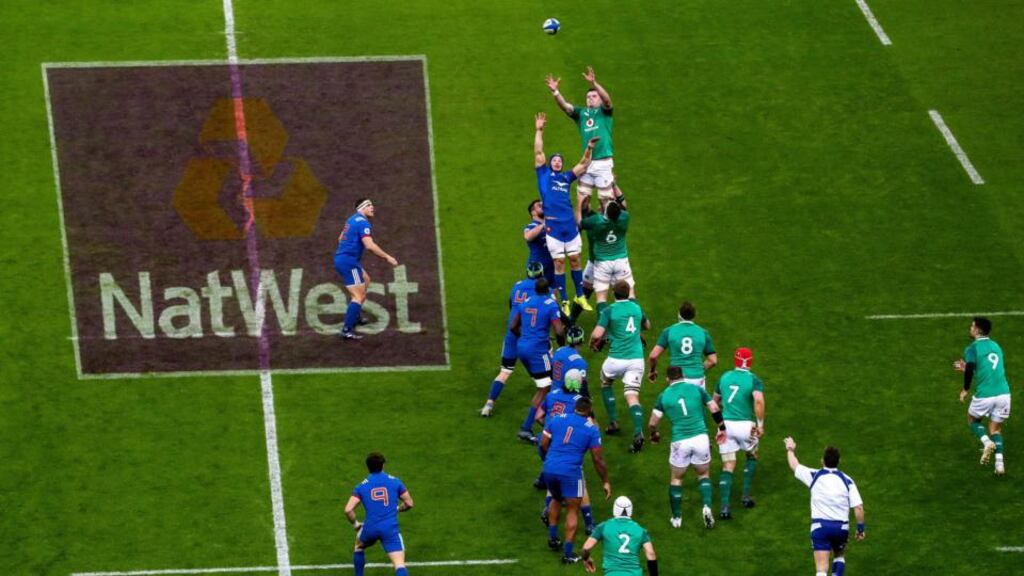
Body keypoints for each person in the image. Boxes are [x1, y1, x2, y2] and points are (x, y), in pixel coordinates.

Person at [533, 111, 598, 315]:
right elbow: (538, 153)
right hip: (553, 226)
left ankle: (579, 295)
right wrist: (539, 130)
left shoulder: (566, 177)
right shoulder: (543, 175)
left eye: (560, 160)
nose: (557, 162)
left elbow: (584, 164)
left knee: (575, 260)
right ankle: (564, 301)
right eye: (555, 160)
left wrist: (589, 148)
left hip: (569, 224)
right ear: (550, 162)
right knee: (559, 263)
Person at [649, 366, 727, 529]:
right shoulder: (696, 389)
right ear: (683, 375)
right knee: (703, 474)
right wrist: (722, 427)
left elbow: (652, 422)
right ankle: (706, 507)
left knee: (677, 478)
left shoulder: (663, 396)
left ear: (667, 379)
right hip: (701, 438)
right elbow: (714, 407)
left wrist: (654, 434)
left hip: (680, 441)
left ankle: (677, 519)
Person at [541, 396, 612, 564]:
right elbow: (597, 459)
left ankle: (552, 538)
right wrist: (605, 480)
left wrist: (549, 460)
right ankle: (567, 554)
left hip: (550, 467)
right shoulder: (591, 429)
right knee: (573, 509)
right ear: (589, 410)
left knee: (556, 499)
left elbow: (543, 443)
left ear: (575, 407)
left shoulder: (558, 419)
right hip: (571, 472)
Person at [784, 438, 865, 576]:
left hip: (820, 527)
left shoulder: (814, 475)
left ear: (823, 461)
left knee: (821, 568)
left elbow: (794, 465)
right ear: (838, 462)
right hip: (841, 528)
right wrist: (860, 528)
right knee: (839, 555)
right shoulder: (847, 480)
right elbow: (858, 507)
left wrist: (790, 448)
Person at [590, 281, 650, 453]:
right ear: (628, 293)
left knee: (606, 382)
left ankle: (613, 421)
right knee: (632, 397)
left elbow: (597, 334)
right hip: (636, 360)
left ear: (613, 294)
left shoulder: (609, 310)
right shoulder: (636, 308)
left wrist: (593, 341)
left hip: (616, 359)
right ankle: (638, 432)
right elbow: (647, 325)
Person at [535, 369, 596, 536]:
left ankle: (547, 510)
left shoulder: (552, 394)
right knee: (579, 484)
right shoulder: (580, 401)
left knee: (552, 478)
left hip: (546, 443)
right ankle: (590, 523)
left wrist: (549, 429)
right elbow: (590, 424)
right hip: (566, 446)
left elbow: (538, 416)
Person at [480, 261, 545, 417]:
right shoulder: (543, 291)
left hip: (512, 334)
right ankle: (548, 407)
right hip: (530, 339)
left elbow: (512, 306)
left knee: (505, 371)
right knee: (546, 378)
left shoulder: (517, 286)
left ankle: (488, 405)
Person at [546, 66, 618, 204]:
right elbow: (566, 107)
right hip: (586, 163)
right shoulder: (581, 114)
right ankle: (578, 225)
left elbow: (608, 100)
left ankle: (607, 224)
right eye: (588, 97)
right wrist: (555, 92)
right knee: (582, 201)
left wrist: (594, 84)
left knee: (606, 201)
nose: (590, 98)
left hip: (603, 162)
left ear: (600, 99)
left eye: (594, 96)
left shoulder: (605, 112)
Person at [509, 277, 566, 443]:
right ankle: (528, 427)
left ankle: (543, 416)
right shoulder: (550, 304)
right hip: (538, 352)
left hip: (522, 349)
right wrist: (561, 348)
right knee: (547, 387)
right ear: (548, 290)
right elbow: (559, 331)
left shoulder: (525, 302)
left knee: (544, 385)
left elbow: (513, 327)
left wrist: (525, 338)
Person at [333, 198, 399, 340]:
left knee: (366, 280)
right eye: (369, 205)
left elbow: (340, 238)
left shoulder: (352, 219)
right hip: (349, 262)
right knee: (358, 296)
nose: (372, 207)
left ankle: (355, 316)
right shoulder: (363, 222)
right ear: (361, 208)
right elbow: (369, 245)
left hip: (346, 260)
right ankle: (346, 330)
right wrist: (387, 257)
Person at [712, 347, 766, 518]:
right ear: (750, 362)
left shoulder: (724, 377)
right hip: (746, 427)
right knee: (752, 456)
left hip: (726, 427)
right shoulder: (754, 380)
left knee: (728, 465)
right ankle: (745, 496)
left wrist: (722, 415)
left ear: (735, 360)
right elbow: (758, 401)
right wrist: (761, 424)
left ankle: (724, 508)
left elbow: (714, 402)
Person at [954, 316, 1011, 475]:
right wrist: (968, 368)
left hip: (985, 395)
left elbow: (972, 366)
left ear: (978, 330)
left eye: (972, 326)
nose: (970, 329)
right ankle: (999, 464)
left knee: (972, 419)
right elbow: (988, 369)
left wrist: (965, 389)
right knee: (995, 429)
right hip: (1004, 394)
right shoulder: (996, 346)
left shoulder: (972, 348)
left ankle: (986, 443)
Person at [344, 452, 415, 576]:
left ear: (368, 467)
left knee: (359, 547)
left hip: (370, 528)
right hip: (389, 529)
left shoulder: (361, 487)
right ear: (383, 466)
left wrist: (356, 524)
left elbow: (348, 509)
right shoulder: (396, 482)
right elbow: (409, 503)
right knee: (399, 565)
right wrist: (397, 509)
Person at [576, 196, 634, 315]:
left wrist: (581, 202)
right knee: (628, 293)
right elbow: (622, 205)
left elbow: (580, 222)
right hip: (618, 260)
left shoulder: (595, 221)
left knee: (597, 296)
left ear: (605, 212)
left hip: (599, 262)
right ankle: (635, 320)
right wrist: (612, 186)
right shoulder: (623, 217)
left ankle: (597, 326)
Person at [581, 496, 658, 576]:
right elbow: (650, 553)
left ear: (614, 509)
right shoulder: (640, 530)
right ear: (630, 510)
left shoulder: (604, 526)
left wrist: (586, 559)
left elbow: (586, 548)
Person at [648, 301, 717, 388]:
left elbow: (653, 356)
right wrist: (698, 370)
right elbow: (713, 360)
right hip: (697, 378)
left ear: (679, 314)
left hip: (676, 378)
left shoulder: (669, 331)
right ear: (694, 315)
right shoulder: (703, 333)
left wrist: (652, 371)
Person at [524, 199, 557, 290]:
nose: (543, 206)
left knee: (552, 295)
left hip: (552, 265)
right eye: (539, 205)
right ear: (533, 212)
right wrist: (543, 224)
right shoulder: (531, 226)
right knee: (534, 293)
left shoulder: (550, 225)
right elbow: (527, 237)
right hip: (537, 267)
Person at [551, 325, 590, 396]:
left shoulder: (558, 351)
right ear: (582, 340)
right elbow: (583, 388)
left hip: (552, 394)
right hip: (567, 397)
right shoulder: (580, 363)